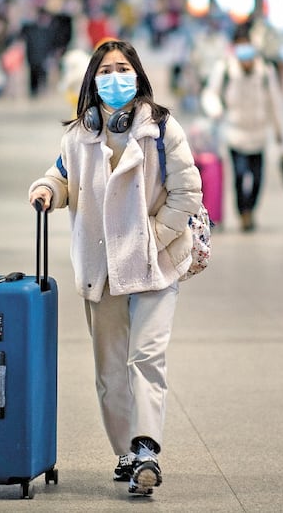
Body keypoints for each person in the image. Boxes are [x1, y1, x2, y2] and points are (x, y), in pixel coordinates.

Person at [28, 39, 202, 498]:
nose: (114, 77)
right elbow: (62, 175)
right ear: (92, 80)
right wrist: (47, 189)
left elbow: (187, 194)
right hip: (100, 269)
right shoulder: (78, 135)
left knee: (146, 357)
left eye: (123, 68)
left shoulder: (162, 129)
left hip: (154, 266)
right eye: (105, 70)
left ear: (139, 76)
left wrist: (153, 240)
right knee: (109, 368)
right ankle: (125, 451)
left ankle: (146, 450)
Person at [201, 25, 283, 232]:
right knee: (239, 175)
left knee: (257, 179)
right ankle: (243, 212)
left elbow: (275, 102)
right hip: (235, 133)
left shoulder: (265, 71)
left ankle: (250, 210)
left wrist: (279, 131)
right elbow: (210, 94)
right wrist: (216, 109)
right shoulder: (225, 69)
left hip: (259, 134)